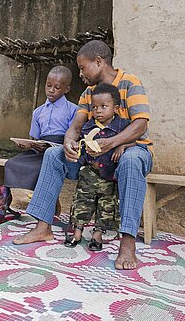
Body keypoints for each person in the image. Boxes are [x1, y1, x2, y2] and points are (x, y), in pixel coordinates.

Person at [13, 40, 153, 270]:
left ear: (99, 62)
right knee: (54, 154)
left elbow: (141, 125)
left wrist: (112, 143)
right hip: (95, 156)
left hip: (130, 151)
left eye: (82, 67)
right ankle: (42, 226)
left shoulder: (131, 83)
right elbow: (76, 125)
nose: (80, 74)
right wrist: (69, 141)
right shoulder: (89, 93)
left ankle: (127, 243)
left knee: (131, 159)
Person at [65, 83, 134, 251]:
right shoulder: (89, 126)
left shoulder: (122, 126)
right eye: (94, 107)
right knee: (82, 200)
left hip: (110, 174)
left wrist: (122, 146)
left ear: (115, 108)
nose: (98, 111)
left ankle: (97, 234)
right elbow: (81, 142)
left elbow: (135, 140)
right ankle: (77, 232)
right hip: (90, 172)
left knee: (106, 205)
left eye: (104, 106)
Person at [4, 66, 77, 192]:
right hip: (40, 150)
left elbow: (74, 135)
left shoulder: (73, 110)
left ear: (67, 89)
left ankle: (43, 199)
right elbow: (36, 139)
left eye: (57, 87)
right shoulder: (38, 112)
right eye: (48, 85)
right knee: (12, 163)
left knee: (41, 167)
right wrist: (28, 145)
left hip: (61, 149)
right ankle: (8, 199)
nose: (51, 90)